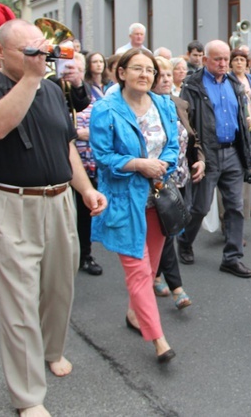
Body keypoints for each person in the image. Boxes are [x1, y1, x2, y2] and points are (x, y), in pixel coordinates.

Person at [0, 19, 107, 417]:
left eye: (40, 49)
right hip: (13, 204)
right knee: (19, 304)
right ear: (0, 52)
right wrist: (30, 78)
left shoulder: (50, 89)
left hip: (60, 200)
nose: (39, 57)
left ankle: (50, 350)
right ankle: (28, 397)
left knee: (60, 289)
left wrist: (85, 189)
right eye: (29, 51)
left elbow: (64, 146)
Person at [89, 48, 178, 363]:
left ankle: (133, 311)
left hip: (158, 198)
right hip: (124, 199)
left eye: (150, 70)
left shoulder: (164, 104)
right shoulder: (106, 109)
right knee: (139, 271)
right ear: (121, 73)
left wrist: (160, 165)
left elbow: (173, 145)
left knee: (151, 266)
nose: (145, 75)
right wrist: (140, 164)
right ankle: (158, 339)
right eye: (137, 68)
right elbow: (103, 157)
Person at [178, 40, 251, 277]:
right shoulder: (192, 85)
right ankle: (185, 240)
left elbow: (242, 118)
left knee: (235, 207)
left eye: (225, 59)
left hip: (232, 152)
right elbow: (185, 123)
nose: (223, 63)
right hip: (207, 155)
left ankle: (232, 257)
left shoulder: (233, 83)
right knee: (199, 207)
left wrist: (247, 150)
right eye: (217, 59)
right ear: (205, 60)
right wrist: (195, 155)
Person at [151, 56, 204, 309]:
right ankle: (177, 287)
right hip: (158, 180)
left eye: (168, 75)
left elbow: (192, 137)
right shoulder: (143, 107)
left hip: (181, 176)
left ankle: (156, 272)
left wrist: (200, 160)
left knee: (170, 229)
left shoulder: (178, 104)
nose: (164, 80)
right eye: (159, 75)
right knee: (167, 231)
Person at [71, 52, 104, 276]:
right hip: (66, 165)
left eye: (80, 69)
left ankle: (85, 255)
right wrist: (76, 133)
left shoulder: (91, 94)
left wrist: (93, 132)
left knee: (84, 213)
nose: (77, 72)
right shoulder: (54, 90)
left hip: (89, 162)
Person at [229, 48, 251, 220]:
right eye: (235, 59)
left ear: (246, 62)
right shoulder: (228, 81)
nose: (238, 63)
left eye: (242, 60)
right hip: (237, 130)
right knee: (239, 168)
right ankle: (238, 206)